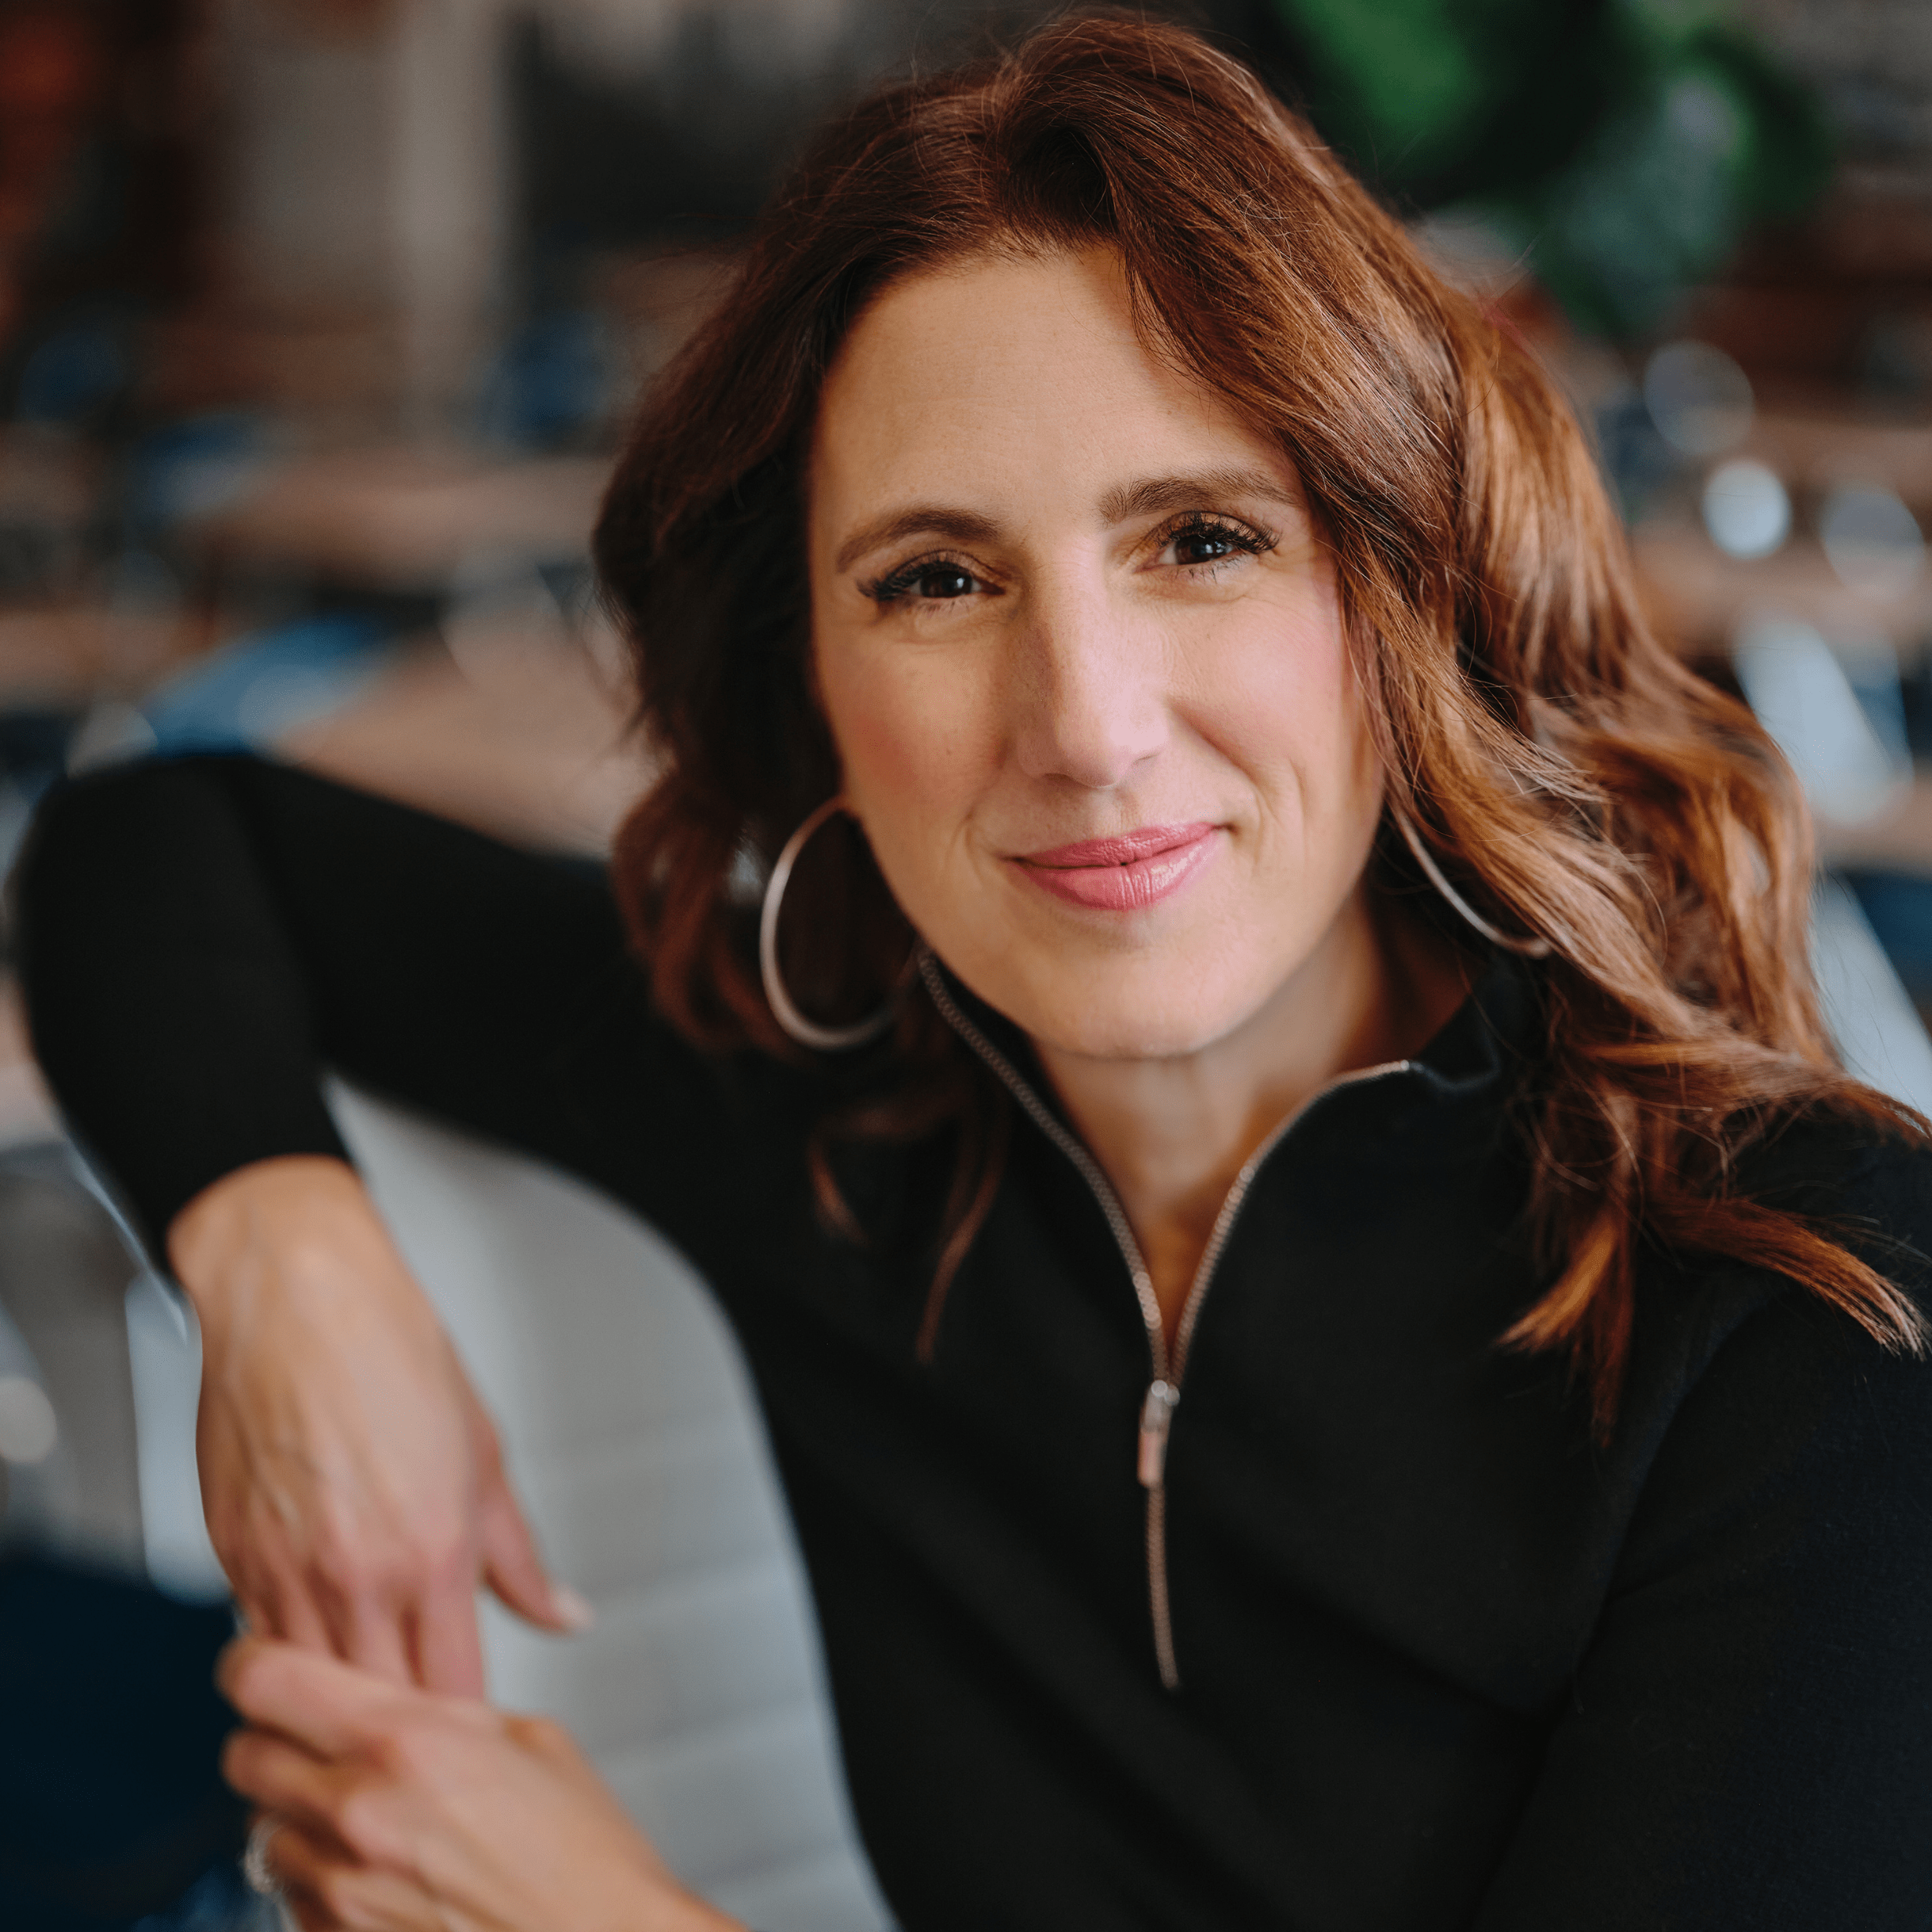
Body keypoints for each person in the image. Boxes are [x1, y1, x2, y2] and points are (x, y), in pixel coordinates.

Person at [18, 16, 1932, 1931]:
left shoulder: (1808, 1321)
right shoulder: (831, 1095)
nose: (1085, 727)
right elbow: (159, 848)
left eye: (1200, 539)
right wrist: (290, 1273)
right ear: (812, 684)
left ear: (1401, 593)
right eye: (936, 576)